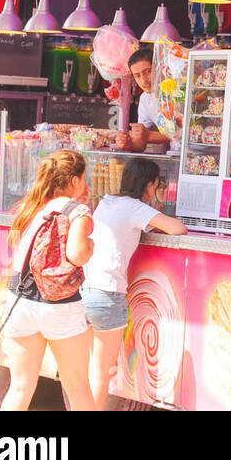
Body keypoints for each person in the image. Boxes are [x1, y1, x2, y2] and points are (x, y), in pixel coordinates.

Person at [82, 158, 187, 409]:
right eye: (156, 185)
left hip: (86, 292)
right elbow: (178, 228)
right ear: (149, 185)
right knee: (101, 372)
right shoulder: (134, 208)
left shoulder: (108, 202)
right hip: (108, 296)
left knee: (89, 370)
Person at [2, 150, 97, 411]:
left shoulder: (32, 206)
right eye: (84, 178)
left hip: (20, 300)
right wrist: (90, 245)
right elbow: (77, 254)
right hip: (60, 305)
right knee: (77, 388)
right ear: (75, 179)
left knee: (20, 387)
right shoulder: (78, 211)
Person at [116, 48, 171, 153]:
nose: (144, 80)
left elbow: (185, 133)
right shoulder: (145, 99)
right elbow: (140, 144)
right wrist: (128, 144)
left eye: (147, 72)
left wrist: (150, 135)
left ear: (158, 68)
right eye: (137, 76)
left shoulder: (176, 91)